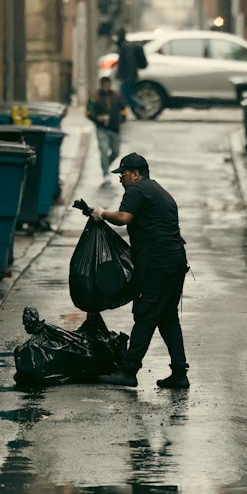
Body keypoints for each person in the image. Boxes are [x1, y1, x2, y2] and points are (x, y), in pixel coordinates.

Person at [93, 152, 190, 390]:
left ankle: (128, 371)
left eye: (123, 174)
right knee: (167, 317)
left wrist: (102, 214)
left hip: (158, 263)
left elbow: (124, 218)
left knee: (146, 315)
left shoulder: (136, 190)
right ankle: (179, 373)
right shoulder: (157, 190)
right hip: (174, 261)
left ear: (136, 174)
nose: (120, 179)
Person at [86, 75, 125, 175]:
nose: (106, 87)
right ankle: (105, 173)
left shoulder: (116, 95)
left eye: (108, 85)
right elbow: (88, 112)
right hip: (102, 128)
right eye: (104, 85)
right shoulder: (95, 97)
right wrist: (97, 118)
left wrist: (121, 119)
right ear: (101, 85)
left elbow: (123, 108)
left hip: (115, 128)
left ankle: (106, 164)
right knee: (104, 149)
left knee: (116, 152)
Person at [114, 27, 148, 111]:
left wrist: (128, 76)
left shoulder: (126, 47)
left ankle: (141, 106)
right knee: (127, 95)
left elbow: (130, 62)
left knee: (125, 95)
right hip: (129, 76)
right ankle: (137, 108)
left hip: (128, 77)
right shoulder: (124, 46)